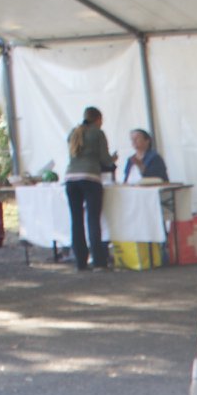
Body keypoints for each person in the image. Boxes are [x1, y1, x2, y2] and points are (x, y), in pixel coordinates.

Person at [64, 106, 116, 271]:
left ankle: (80, 261)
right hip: (90, 178)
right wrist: (113, 159)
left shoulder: (73, 133)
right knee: (93, 220)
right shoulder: (97, 133)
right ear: (98, 119)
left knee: (76, 220)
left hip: (71, 179)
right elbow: (105, 159)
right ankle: (99, 261)